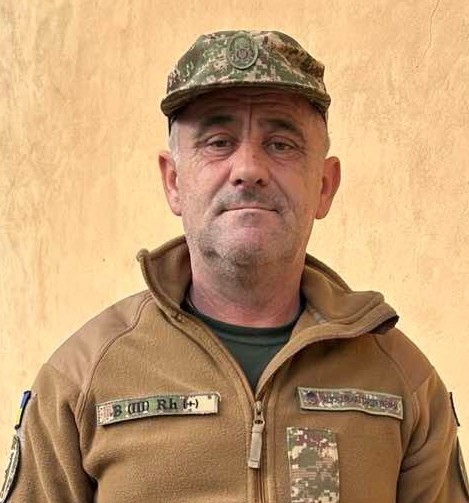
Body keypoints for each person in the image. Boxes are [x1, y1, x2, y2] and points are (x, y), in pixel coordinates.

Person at [1, 29, 467, 503]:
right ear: (173, 181)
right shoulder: (81, 380)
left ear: (325, 186)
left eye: (281, 144)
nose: (248, 169)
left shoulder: (403, 383)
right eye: (218, 142)